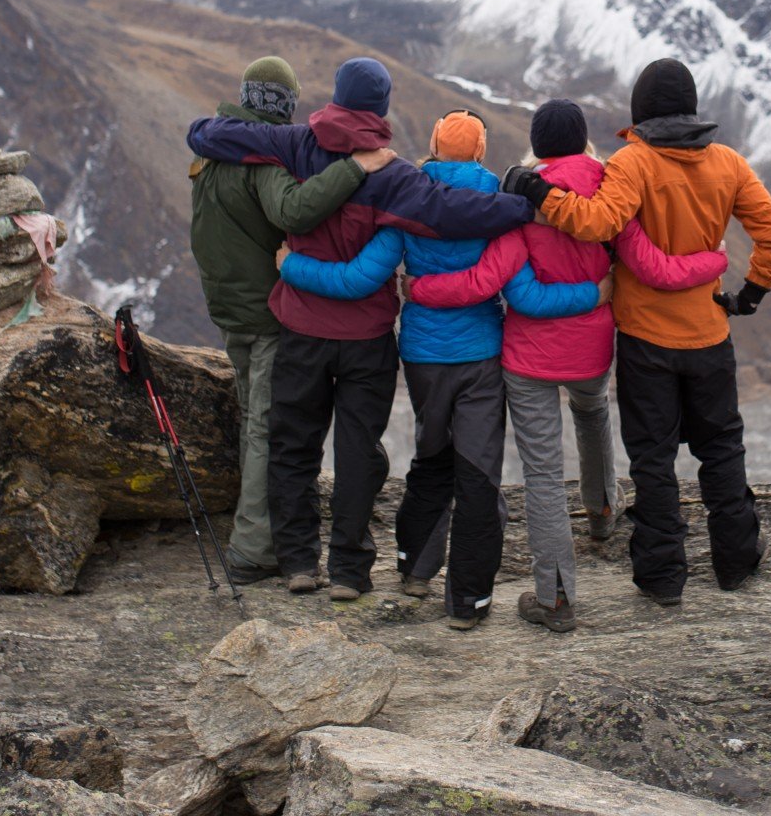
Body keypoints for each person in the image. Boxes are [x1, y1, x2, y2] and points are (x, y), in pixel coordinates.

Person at [187, 58, 533, 600]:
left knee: (292, 445)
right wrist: (522, 205)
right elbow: (451, 213)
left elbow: (212, 134)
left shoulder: (297, 145)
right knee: (355, 452)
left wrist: (203, 129)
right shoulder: (393, 174)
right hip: (366, 339)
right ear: (382, 108)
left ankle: (299, 561)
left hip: (300, 327)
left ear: (336, 97)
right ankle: (349, 570)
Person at [409, 98, 730, 632]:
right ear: (582, 140)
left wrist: (418, 288)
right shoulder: (609, 190)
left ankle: (555, 598)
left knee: (541, 474)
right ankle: (603, 510)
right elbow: (649, 263)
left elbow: (513, 290)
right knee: (592, 414)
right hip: (591, 348)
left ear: (536, 144)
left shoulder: (520, 198)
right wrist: (712, 260)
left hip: (529, 358)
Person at [277, 109, 604, 630]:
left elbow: (362, 277)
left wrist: (290, 265)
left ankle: (414, 570)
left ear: (432, 144)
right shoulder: (500, 206)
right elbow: (500, 285)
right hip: (480, 355)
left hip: (424, 357)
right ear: (480, 152)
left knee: (431, 460)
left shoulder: (407, 203)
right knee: (477, 472)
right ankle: (468, 602)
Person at [501, 60, 771, 606]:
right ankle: (736, 560)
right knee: (723, 450)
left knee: (653, 461)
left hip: (645, 341)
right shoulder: (727, 163)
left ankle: (662, 578)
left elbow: (596, 223)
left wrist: (539, 195)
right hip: (708, 335)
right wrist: (751, 293)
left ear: (640, 111)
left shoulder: (632, 163)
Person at [187, 56, 396, 585]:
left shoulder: (213, 149)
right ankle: (257, 549)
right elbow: (294, 212)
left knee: (262, 425)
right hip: (270, 314)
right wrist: (354, 169)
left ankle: (278, 543)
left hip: (228, 309)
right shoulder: (262, 159)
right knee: (269, 430)